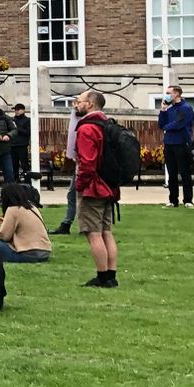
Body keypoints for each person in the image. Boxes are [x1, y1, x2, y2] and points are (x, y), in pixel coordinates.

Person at [73, 89, 121, 289]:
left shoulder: (87, 128)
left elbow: (87, 162)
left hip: (93, 187)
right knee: (106, 231)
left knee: (93, 233)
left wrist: (79, 185)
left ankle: (102, 277)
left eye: (79, 101)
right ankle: (111, 274)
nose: (76, 104)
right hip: (109, 185)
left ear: (90, 104)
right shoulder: (108, 124)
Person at [0, 183, 52, 262]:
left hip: (28, 254)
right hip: (45, 252)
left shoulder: (13, 209)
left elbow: (3, 236)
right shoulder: (32, 207)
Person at [157, 84, 194, 208]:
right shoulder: (170, 109)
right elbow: (161, 124)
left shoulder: (186, 108)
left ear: (176, 94)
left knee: (185, 172)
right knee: (172, 173)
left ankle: (188, 200)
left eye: (169, 93)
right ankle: (173, 200)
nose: (167, 95)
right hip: (169, 143)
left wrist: (166, 127)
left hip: (181, 143)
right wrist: (163, 110)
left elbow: (179, 124)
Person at [55, 101, 83, 235]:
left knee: (79, 196)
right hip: (80, 164)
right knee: (72, 195)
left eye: (79, 102)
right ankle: (67, 223)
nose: (75, 106)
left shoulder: (88, 123)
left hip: (85, 166)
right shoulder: (78, 118)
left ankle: (85, 226)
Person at [10, 102, 33, 186]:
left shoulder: (27, 120)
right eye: (15, 110)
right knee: (14, 164)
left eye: (18, 110)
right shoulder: (12, 120)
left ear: (23, 110)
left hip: (22, 145)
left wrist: (18, 128)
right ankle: (15, 181)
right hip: (13, 145)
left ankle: (27, 181)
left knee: (24, 164)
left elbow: (28, 132)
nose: (16, 111)